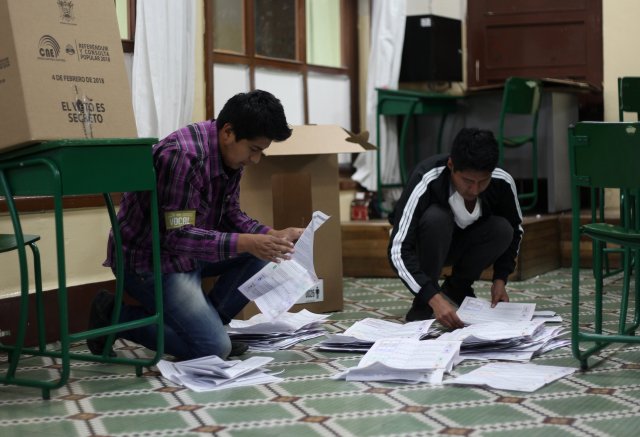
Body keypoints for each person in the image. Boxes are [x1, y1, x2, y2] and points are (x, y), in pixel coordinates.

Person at [88, 90, 303, 360]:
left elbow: (230, 213)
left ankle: (206, 328)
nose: (255, 159)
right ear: (228, 132)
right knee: (213, 349)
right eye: (254, 149)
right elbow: (176, 237)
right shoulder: (182, 156)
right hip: (151, 263)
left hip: (190, 256)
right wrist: (249, 242)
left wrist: (272, 236)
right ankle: (113, 315)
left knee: (268, 256)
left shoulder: (230, 155)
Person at [387, 127, 523, 329]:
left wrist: (500, 278)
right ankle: (424, 303)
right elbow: (397, 250)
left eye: (482, 181)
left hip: (464, 244)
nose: (475, 189)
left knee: (503, 229)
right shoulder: (426, 178)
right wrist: (432, 296)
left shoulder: (502, 181)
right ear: (451, 165)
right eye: (468, 181)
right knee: (436, 218)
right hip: (425, 244)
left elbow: (516, 230)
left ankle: (458, 288)